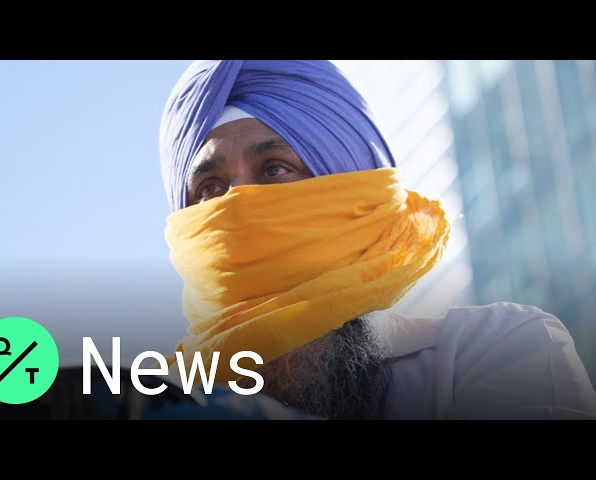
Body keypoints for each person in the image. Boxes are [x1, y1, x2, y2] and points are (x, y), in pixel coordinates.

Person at [158, 60, 596, 419]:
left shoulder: (494, 347)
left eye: (275, 168)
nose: (237, 203)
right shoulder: (161, 399)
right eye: (210, 189)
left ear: (357, 196)